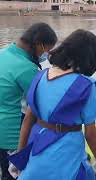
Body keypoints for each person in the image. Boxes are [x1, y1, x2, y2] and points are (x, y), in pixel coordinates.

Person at [8, 29, 96, 180]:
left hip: (38, 145)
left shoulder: (40, 76)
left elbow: (28, 120)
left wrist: (19, 157)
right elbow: (90, 134)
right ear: (88, 57)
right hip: (67, 150)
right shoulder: (86, 85)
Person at [0, 23, 57, 180]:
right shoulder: (27, 68)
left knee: (4, 170)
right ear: (38, 44)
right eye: (45, 50)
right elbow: (44, 103)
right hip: (12, 134)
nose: (44, 55)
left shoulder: (3, 53)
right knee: (14, 174)